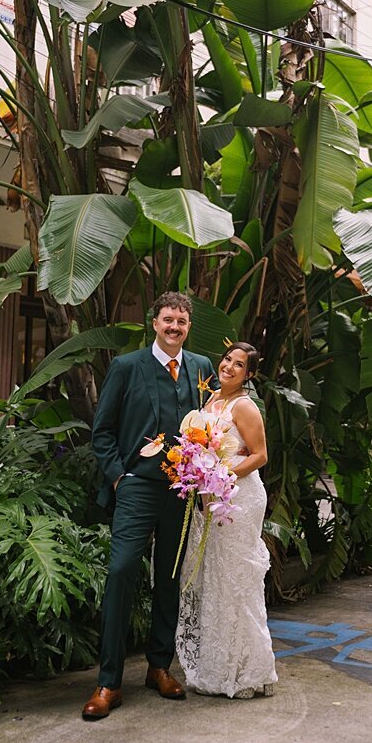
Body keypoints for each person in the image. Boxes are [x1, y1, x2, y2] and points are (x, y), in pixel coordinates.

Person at [82, 292, 217, 720]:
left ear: (188, 326)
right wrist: (120, 475)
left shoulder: (201, 368)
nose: (174, 327)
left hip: (182, 490)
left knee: (170, 578)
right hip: (138, 485)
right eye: (167, 319)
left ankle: (160, 667)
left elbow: (212, 425)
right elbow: (101, 430)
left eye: (182, 321)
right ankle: (108, 682)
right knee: (122, 571)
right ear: (153, 323)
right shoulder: (126, 367)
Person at [175, 342, 278, 699]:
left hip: (239, 499)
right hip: (210, 500)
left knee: (237, 580)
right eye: (227, 360)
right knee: (216, 579)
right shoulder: (209, 403)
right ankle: (218, 668)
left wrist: (221, 473)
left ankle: (248, 672)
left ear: (248, 375)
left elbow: (260, 455)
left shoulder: (244, 406)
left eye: (239, 365)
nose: (229, 367)